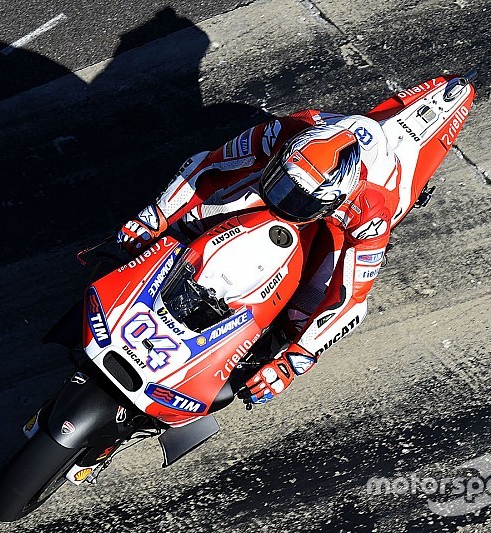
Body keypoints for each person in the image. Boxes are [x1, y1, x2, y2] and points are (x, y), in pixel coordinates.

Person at [117, 110, 400, 404]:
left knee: (303, 314)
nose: (284, 201)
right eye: (283, 185)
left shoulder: (372, 209)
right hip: (293, 184)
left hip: (338, 223)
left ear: (334, 200)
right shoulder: (283, 132)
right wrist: (154, 218)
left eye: (298, 200)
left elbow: (352, 300)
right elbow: (207, 165)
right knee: (190, 222)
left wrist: (294, 361)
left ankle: (264, 348)